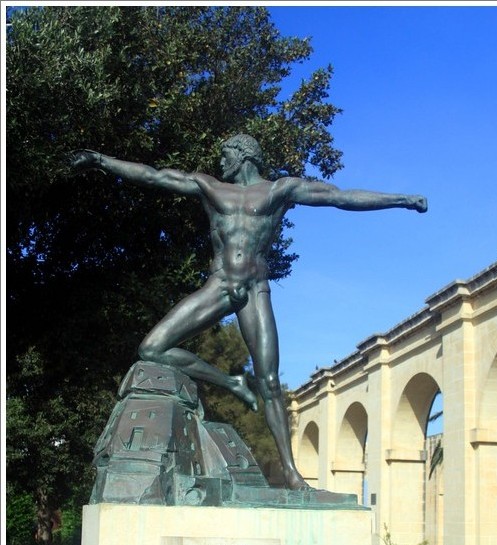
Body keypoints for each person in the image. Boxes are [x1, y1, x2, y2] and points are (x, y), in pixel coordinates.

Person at [69, 134, 427, 490]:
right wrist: (101, 161)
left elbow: (340, 197)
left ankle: (290, 472)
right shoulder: (209, 187)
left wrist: (402, 199)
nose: (219, 161)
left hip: (255, 290)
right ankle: (230, 383)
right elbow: (154, 175)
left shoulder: (278, 191)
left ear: (243, 156)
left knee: (270, 382)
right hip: (220, 286)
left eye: (225, 154)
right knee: (152, 349)